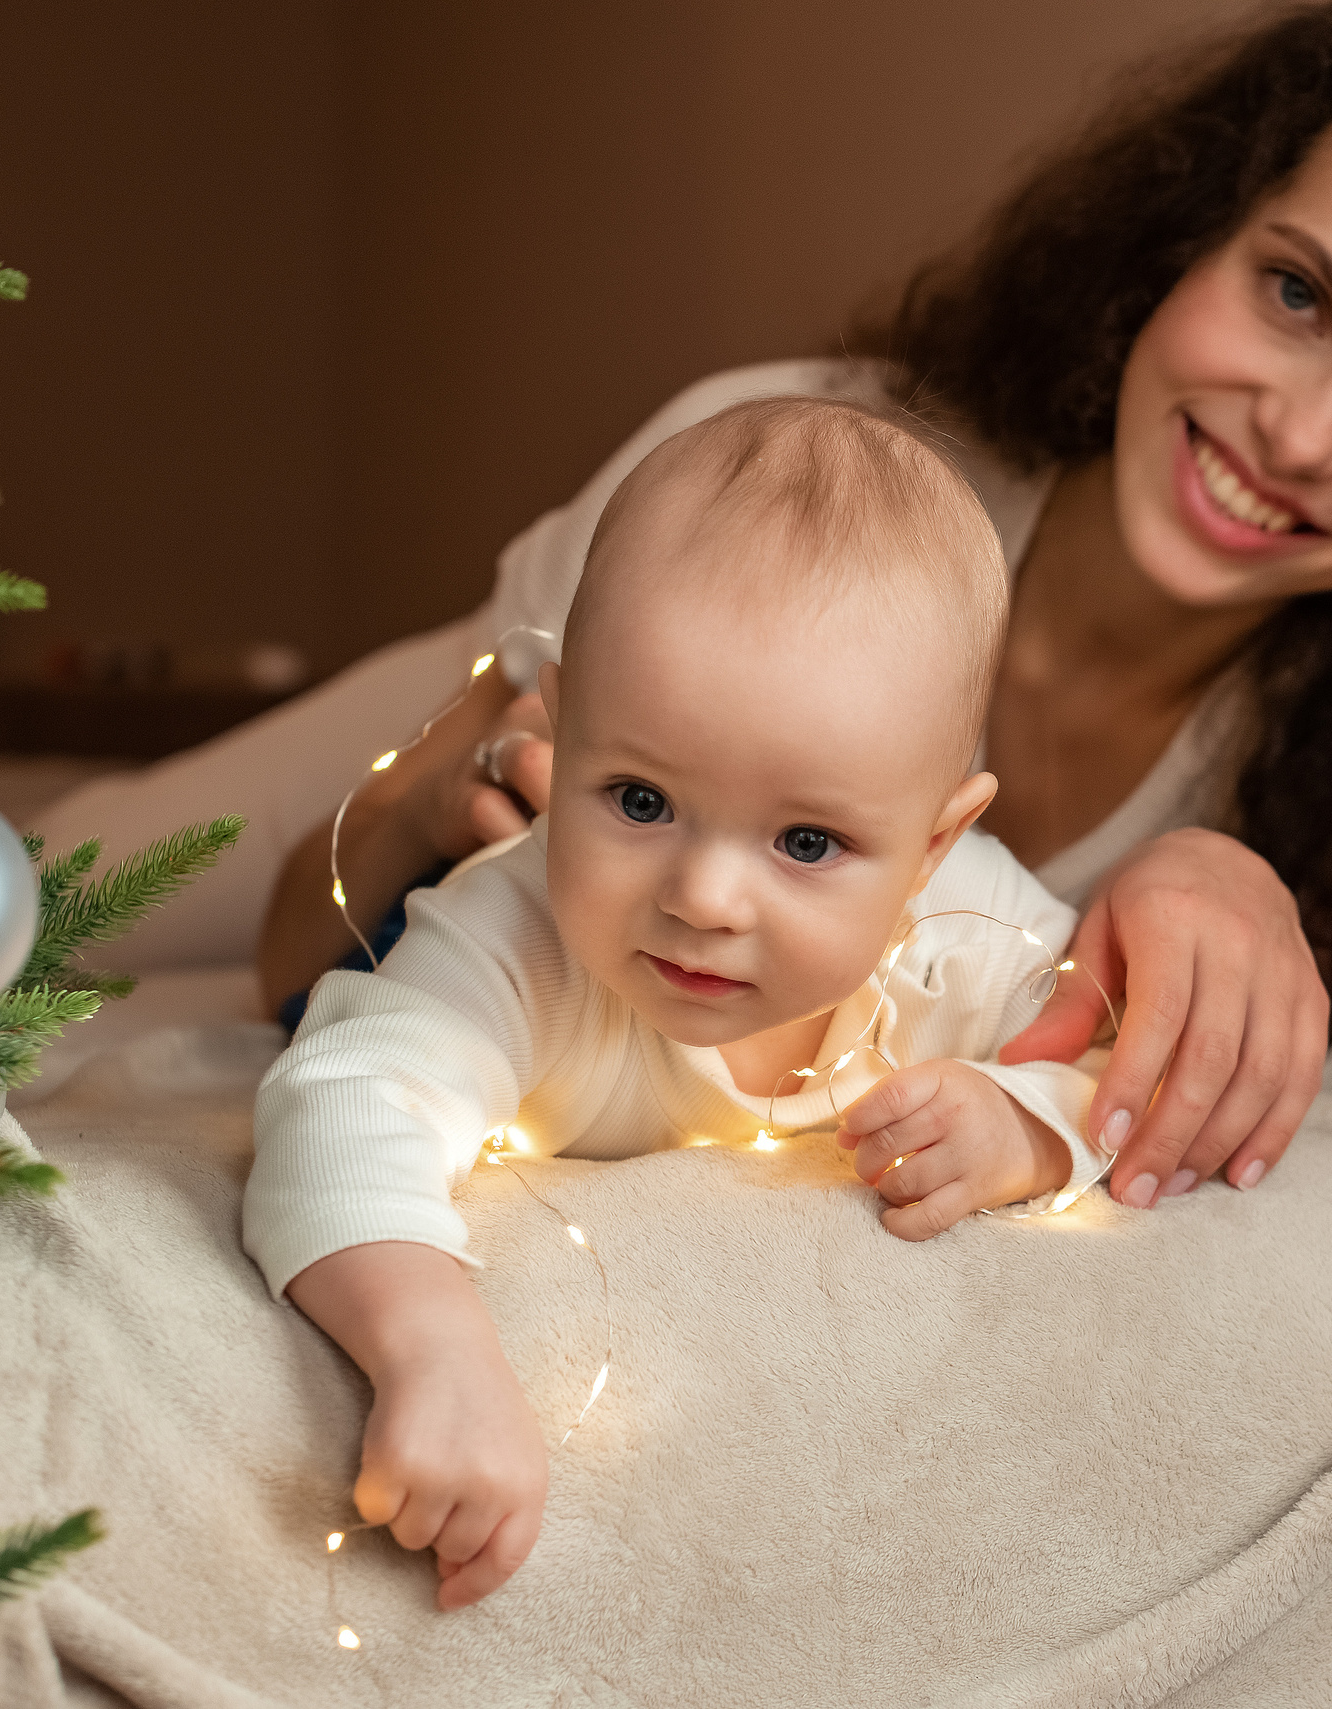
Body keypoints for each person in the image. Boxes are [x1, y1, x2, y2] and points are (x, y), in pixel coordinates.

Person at [254, 0, 1332, 1213]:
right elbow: (289, 967)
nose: (1299, 432)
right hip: (449, 700)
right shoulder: (749, 477)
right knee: (93, 868)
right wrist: (438, 781)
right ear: (1179, 239)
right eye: (1296, 294)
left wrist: (1224, 876)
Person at [248, 398, 1117, 1608]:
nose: (705, 897)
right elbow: (338, 1103)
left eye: (806, 839)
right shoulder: (525, 931)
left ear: (933, 842)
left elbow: (1128, 1069)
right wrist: (430, 1346)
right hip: (430, 937)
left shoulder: (967, 926)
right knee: (323, 991)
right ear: (569, 723)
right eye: (642, 799)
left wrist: (1024, 1124)